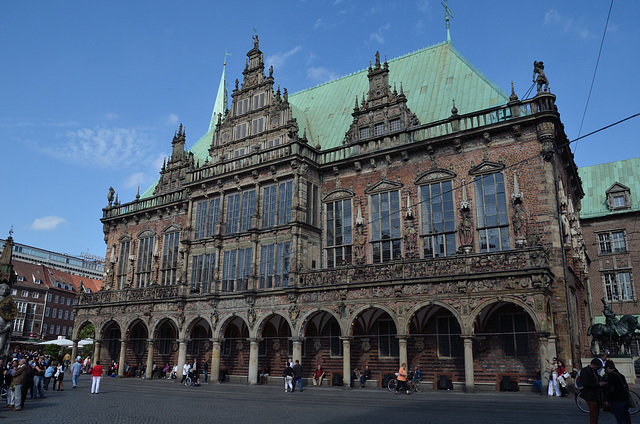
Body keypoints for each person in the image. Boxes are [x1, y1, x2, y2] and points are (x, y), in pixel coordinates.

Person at [581, 358, 606, 424]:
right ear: (594, 365)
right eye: (597, 368)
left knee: (596, 414)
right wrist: (598, 384)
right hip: (590, 395)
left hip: (595, 395)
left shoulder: (593, 371)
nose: (597, 369)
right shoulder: (585, 371)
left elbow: (598, 378)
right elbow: (586, 384)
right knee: (593, 414)